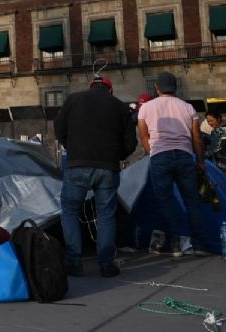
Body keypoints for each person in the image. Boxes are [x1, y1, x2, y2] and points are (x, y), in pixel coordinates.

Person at [54, 77, 136, 277]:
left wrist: (71, 148)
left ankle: (74, 261)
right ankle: (106, 264)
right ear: (110, 90)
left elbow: (58, 129)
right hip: (108, 168)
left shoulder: (73, 100)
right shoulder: (120, 107)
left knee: (70, 211)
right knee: (106, 215)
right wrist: (117, 157)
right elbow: (130, 143)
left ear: (91, 86)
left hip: (77, 165)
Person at [137, 72, 209, 257]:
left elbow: (144, 136)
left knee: (165, 201)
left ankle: (175, 244)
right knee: (192, 201)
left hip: (160, 156)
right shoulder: (188, 108)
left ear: (156, 88)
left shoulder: (146, 108)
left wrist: (151, 152)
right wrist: (200, 161)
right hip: (185, 156)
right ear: (175, 87)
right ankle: (199, 244)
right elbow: (197, 137)